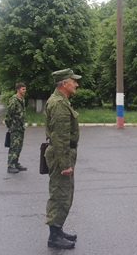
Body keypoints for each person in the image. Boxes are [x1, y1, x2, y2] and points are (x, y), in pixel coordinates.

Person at [44, 69, 82, 249]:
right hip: (61, 156)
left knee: (63, 193)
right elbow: (60, 137)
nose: (77, 84)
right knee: (60, 195)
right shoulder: (58, 104)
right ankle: (54, 237)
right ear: (64, 83)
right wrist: (65, 164)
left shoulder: (61, 101)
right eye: (74, 81)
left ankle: (58, 230)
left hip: (63, 153)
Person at [5, 83, 27, 173]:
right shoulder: (14, 100)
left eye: (25, 89)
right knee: (14, 146)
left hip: (20, 127)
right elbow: (9, 114)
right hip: (14, 127)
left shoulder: (21, 99)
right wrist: (9, 126)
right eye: (23, 89)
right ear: (18, 89)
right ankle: (10, 165)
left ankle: (16, 163)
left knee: (19, 146)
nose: (24, 91)